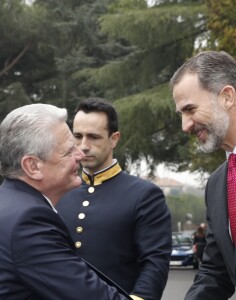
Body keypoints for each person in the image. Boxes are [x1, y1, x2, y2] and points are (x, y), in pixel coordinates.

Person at [0, 103, 132, 300]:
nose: (80, 155)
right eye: (68, 151)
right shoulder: (27, 221)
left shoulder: (8, 202)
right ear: (33, 166)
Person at [56, 98, 172, 300]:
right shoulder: (58, 192)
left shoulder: (144, 195)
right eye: (78, 136)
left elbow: (154, 263)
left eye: (94, 137)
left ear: (114, 139)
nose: (83, 146)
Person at [170, 50, 236, 299]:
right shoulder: (217, 184)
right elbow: (215, 273)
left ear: (226, 97)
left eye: (190, 109)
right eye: (181, 115)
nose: (185, 126)